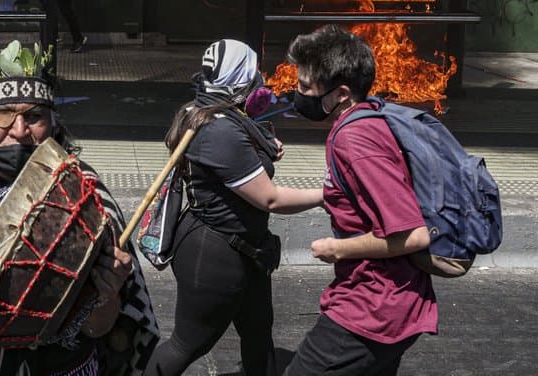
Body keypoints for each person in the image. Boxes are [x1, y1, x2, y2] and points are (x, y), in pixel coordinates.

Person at [0, 42, 159, 374]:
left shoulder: (86, 193)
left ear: (54, 124)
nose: (20, 130)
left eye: (34, 117)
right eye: (3, 114)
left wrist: (107, 293)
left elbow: (102, 327)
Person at [145, 39, 324, 376]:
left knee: (258, 332)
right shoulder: (219, 130)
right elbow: (270, 199)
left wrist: (262, 148)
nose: (260, 80)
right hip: (214, 253)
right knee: (188, 343)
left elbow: (236, 159)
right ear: (240, 80)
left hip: (247, 250)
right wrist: (328, 194)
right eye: (254, 73)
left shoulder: (211, 111)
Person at [282, 25, 437, 376]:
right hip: (384, 301)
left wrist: (338, 248)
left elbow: (414, 235)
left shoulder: (355, 138)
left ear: (341, 94)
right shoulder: (367, 118)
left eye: (305, 87)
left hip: (373, 307)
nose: (298, 94)